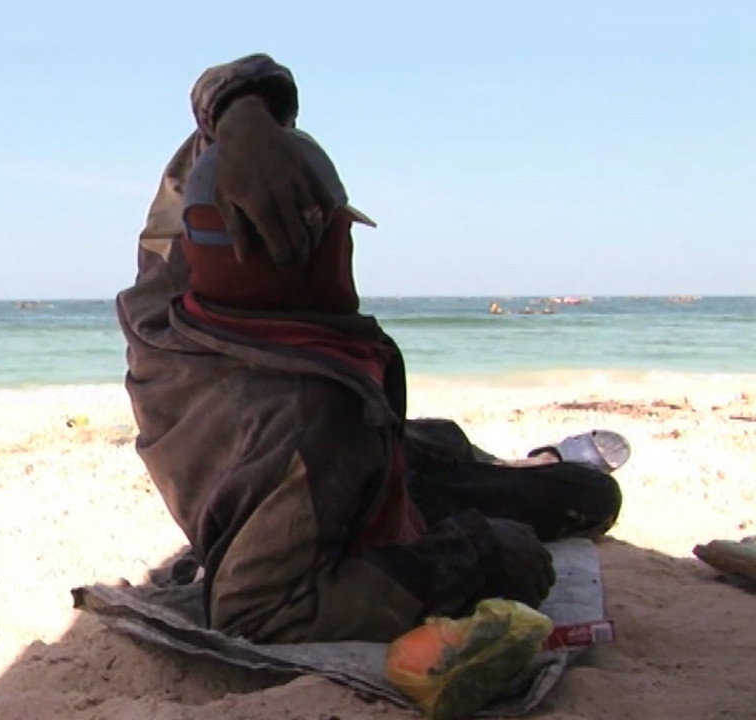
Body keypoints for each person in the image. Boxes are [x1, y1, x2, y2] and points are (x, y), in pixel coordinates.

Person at [115, 54, 623, 644]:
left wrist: (241, 116)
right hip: (343, 511)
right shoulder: (309, 416)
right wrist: (474, 558)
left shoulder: (160, 320)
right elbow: (257, 612)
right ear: (322, 247)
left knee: (443, 439)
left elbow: (193, 184)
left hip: (309, 473)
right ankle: (548, 466)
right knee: (590, 496)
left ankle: (515, 463)